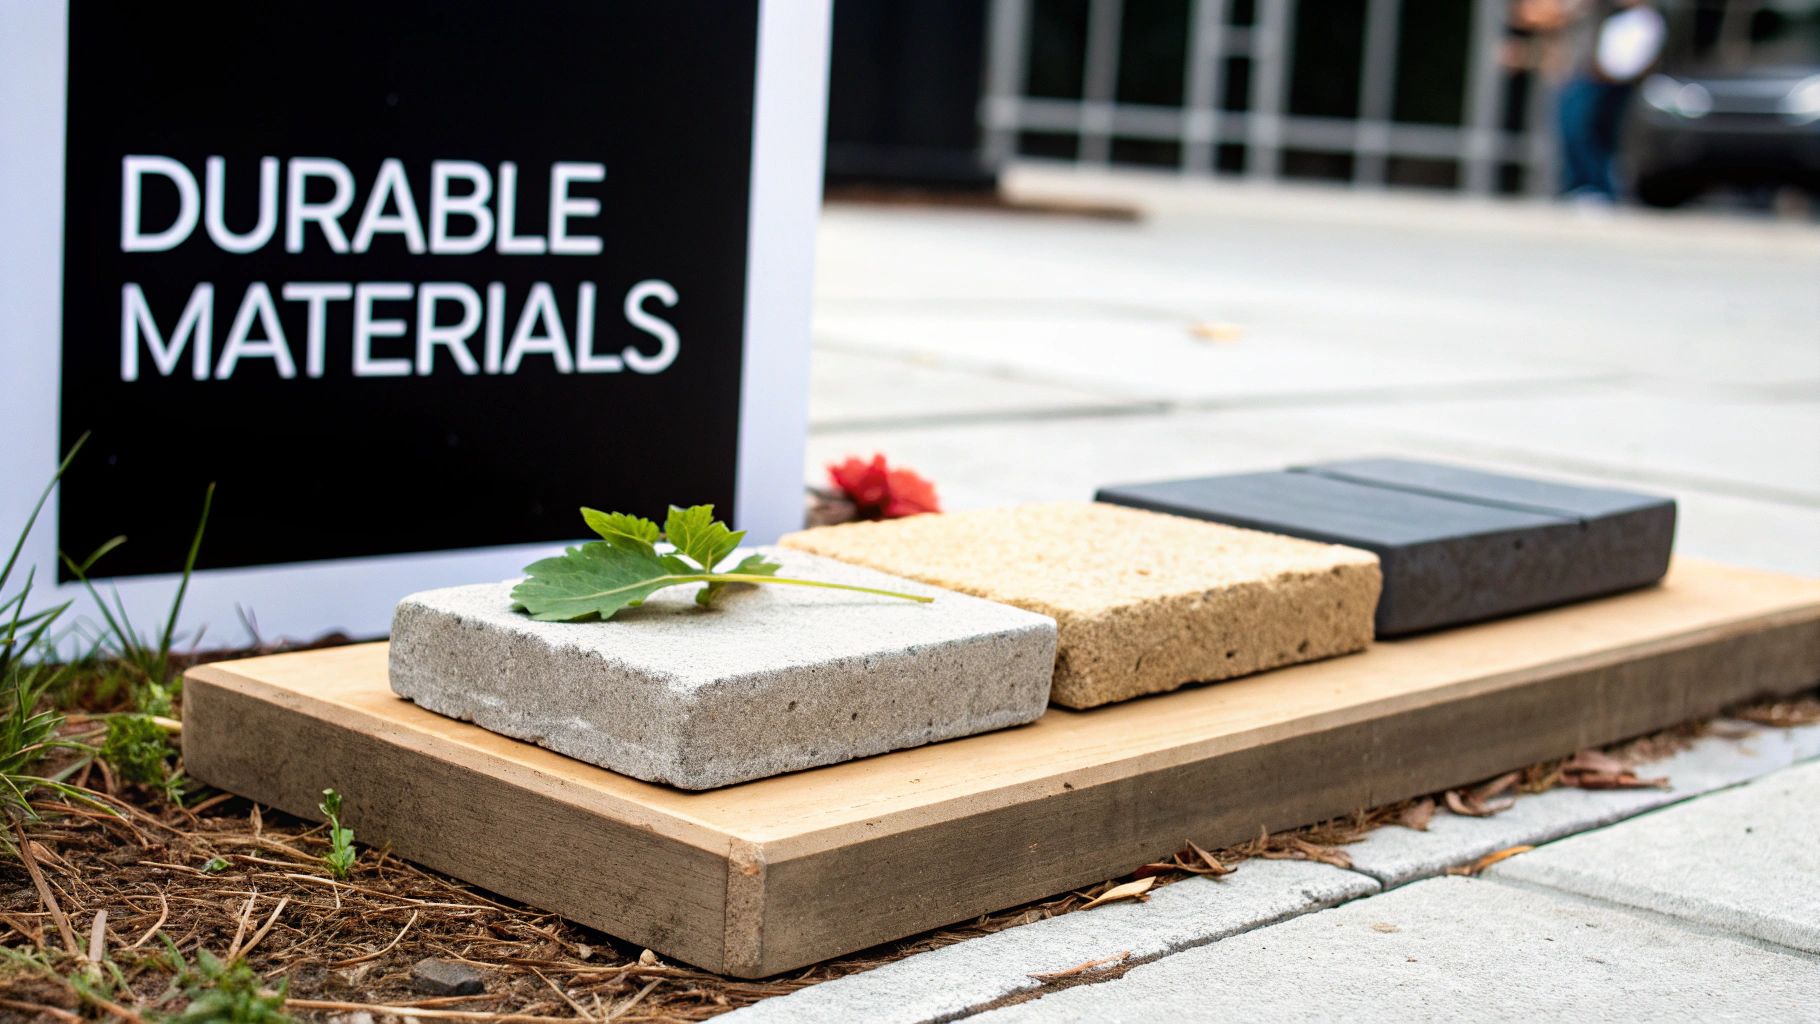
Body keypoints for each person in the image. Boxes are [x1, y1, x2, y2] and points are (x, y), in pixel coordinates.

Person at [1554, 0, 1668, 202]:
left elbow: (1633, 63)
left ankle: (1598, 187)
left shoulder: (1647, 20)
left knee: (1593, 136)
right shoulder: (1607, 15)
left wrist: (1606, 74)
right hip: (1591, 81)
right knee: (1575, 132)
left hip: (1610, 87)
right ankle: (1580, 185)